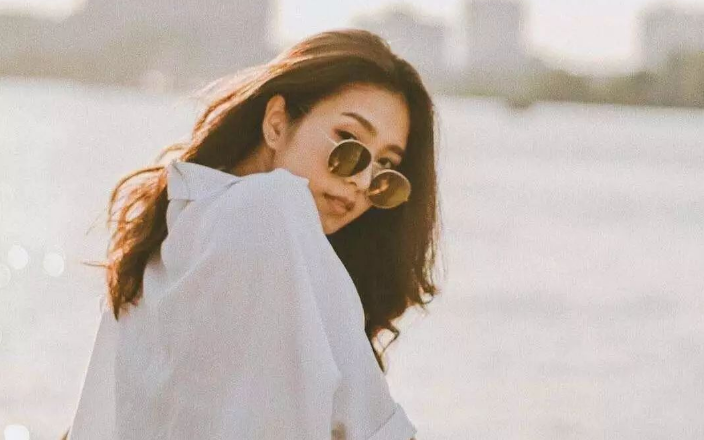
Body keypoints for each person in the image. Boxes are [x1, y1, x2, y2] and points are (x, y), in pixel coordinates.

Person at [63, 28, 441, 440]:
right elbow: (378, 429)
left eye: (386, 169)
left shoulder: (165, 241)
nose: (363, 182)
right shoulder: (273, 207)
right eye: (349, 142)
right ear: (277, 123)